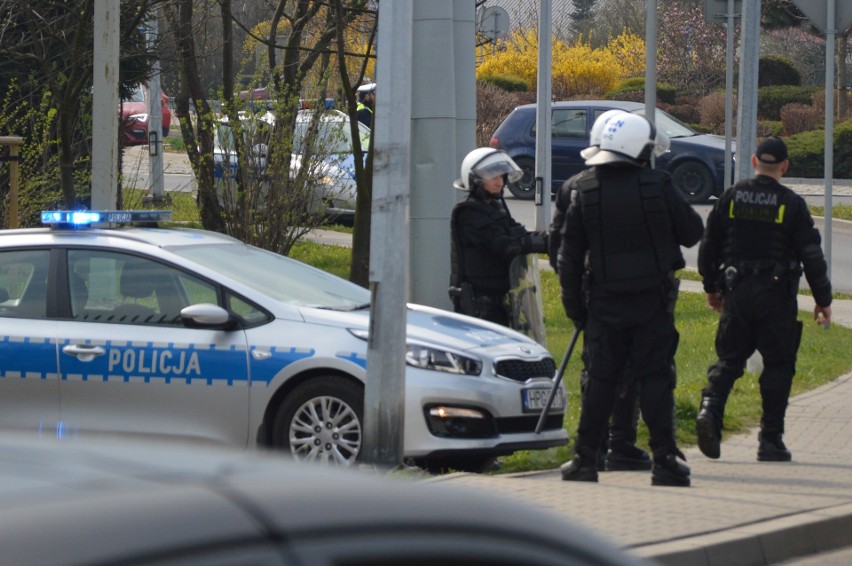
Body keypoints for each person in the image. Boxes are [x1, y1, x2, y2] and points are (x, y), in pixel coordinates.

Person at [553, 113, 704, 486]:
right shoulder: (659, 184)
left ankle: (585, 460)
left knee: (601, 381)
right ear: (639, 148)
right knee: (655, 380)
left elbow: (568, 258)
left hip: (604, 305)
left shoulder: (584, 190)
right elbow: (691, 232)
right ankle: (665, 462)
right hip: (652, 303)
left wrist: (576, 311)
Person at [695, 136, 832, 462]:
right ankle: (770, 441)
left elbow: (708, 247)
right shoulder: (792, 204)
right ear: (784, 167)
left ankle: (710, 410)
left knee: (729, 359)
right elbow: (811, 255)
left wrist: (711, 287)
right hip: (776, 297)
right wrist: (823, 299)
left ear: (755, 162)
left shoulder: (730, 197)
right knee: (779, 365)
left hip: (737, 293)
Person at [550, 110, 656, 473]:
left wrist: (574, 298)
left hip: (596, 296)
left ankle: (597, 449)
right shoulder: (635, 184)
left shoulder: (574, 185)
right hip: (632, 297)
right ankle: (619, 443)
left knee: (600, 372)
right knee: (628, 372)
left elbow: (558, 249)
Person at [449, 147, 548, 328]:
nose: (499, 182)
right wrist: (532, 243)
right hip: (479, 305)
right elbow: (504, 244)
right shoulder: (468, 213)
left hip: (499, 298)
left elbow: (517, 232)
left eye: (502, 177)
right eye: (493, 177)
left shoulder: (495, 208)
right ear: (475, 180)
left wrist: (551, 238)